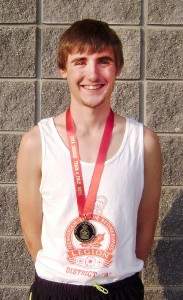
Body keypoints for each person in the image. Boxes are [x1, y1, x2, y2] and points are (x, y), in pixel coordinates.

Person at [17, 19, 162, 300]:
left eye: (104, 61)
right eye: (80, 61)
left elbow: (145, 226)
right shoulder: (36, 142)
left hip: (121, 287)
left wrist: (117, 270)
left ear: (118, 68)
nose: (92, 74)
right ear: (63, 69)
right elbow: (32, 233)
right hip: (55, 288)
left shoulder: (143, 142)